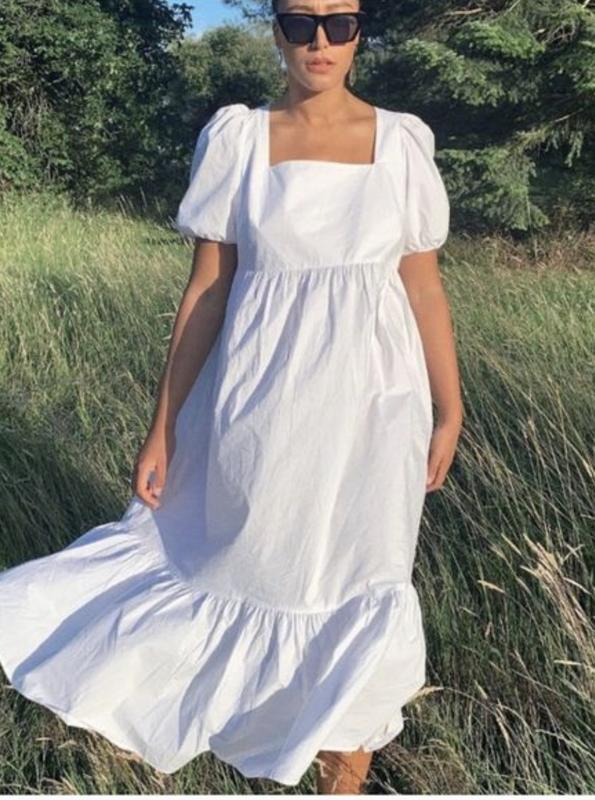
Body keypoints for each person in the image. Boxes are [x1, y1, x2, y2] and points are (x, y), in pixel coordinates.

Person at [0, 0, 463, 794]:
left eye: (340, 23)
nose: (319, 42)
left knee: (365, 580)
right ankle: (176, 711)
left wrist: (449, 408)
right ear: (276, 32)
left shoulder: (401, 143)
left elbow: (422, 288)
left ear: (361, 33)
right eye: (300, 23)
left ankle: (342, 777)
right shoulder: (239, 139)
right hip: (261, 408)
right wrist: (163, 427)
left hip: (377, 411)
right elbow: (207, 292)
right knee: (241, 567)